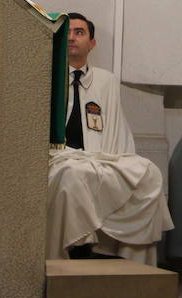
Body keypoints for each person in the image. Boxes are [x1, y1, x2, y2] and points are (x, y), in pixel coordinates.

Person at [47, 13, 173, 266]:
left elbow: (116, 127)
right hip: (56, 156)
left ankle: (132, 264)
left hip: (99, 155)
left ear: (92, 43)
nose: (72, 37)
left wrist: (115, 161)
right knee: (73, 172)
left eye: (80, 32)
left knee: (148, 172)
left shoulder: (106, 80)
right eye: (67, 32)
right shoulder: (45, 76)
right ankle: (76, 251)